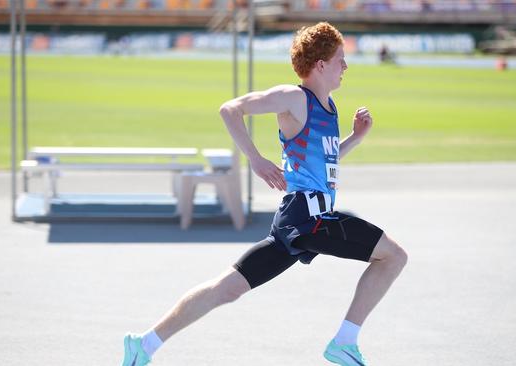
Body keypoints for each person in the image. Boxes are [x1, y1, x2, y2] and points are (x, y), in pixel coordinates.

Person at [121, 22, 408, 366]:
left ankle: (144, 344)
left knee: (228, 288)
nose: (345, 66)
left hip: (298, 221)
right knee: (394, 256)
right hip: (309, 219)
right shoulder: (293, 98)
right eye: (340, 59)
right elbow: (231, 109)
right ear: (320, 64)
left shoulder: (328, 107)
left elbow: (321, 165)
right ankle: (345, 341)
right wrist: (255, 160)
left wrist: (355, 139)